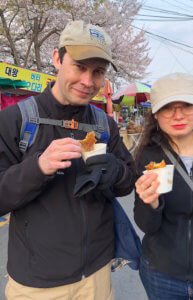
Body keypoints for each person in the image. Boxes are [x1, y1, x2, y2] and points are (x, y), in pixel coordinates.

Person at [0, 20, 135, 300]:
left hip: (96, 276)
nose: (88, 82)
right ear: (57, 59)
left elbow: (127, 182)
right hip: (36, 284)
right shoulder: (15, 120)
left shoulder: (103, 125)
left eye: (97, 72)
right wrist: (37, 167)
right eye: (79, 67)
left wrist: (116, 172)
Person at [134, 72, 193, 299]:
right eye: (168, 107)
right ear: (155, 113)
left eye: (186, 105)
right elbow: (147, 225)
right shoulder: (148, 155)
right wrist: (151, 204)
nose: (178, 115)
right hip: (160, 272)